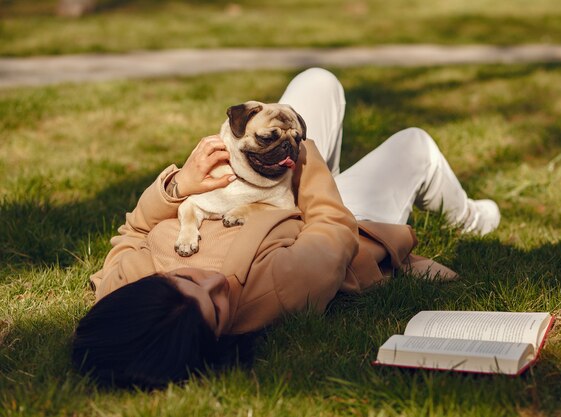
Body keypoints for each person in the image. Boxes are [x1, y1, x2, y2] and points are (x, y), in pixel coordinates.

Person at [72, 68, 500, 388]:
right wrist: (297, 156)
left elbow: (131, 232)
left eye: (185, 281)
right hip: (320, 209)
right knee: (414, 144)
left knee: (318, 80)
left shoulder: (124, 285)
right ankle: (472, 218)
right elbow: (333, 229)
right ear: (220, 339)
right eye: (216, 306)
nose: (212, 283)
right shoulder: (274, 291)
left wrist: (179, 185)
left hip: (256, 187)